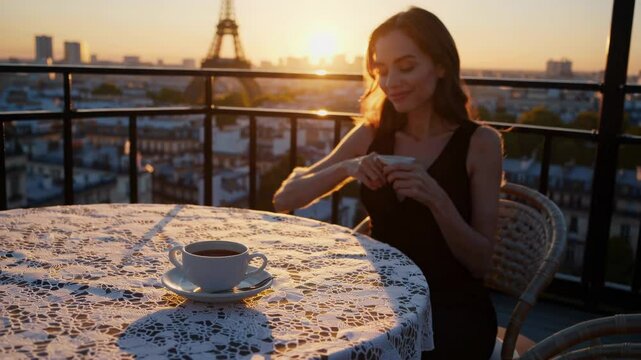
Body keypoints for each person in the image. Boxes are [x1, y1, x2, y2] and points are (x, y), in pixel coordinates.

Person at [273, 7, 502, 359]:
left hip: (449, 309)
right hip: (379, 296)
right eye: (381, 70)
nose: (391, 82)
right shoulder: (371, 133)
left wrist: (436, 198)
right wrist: (348, 167)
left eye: (406, 66)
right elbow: (285, 197)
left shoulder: (481, 144)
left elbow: (480, 263)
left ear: (441, 66)